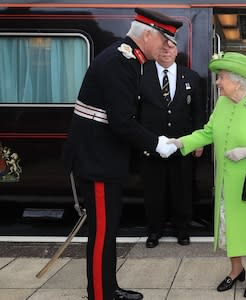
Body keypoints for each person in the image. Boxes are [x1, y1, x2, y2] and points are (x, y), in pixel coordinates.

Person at [62, 8, 182, 300]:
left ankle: (108, 288)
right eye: (164, 40)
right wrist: (157, 143)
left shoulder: (129, 58)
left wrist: (154, 137)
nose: (167, 47)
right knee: (103, 234)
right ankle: (100, 295)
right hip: (99, 161)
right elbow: (121, 121)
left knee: (108, 230)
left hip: (104, 158)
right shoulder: (121, 61)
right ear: (147, 34)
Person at [164, 52, 246, 298]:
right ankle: (235, 269)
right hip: (224, 181)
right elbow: (208, 132)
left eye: (220, 78)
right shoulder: (222, 103)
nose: (217, 83)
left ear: (237, 80)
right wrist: (179, 143)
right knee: (228, 226)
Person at [140, 38, 204, 247]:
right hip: (151, 145)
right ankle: (154, 231)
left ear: (177, 51)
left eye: (171, 47)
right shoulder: (141, 74)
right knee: (153, 190)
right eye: (163, 47)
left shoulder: (192, 78)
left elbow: (198, 112)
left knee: (182, 189)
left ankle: (182, 230)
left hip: (183, 144)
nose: (167, 50)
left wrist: (198, 142)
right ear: (156, 50)